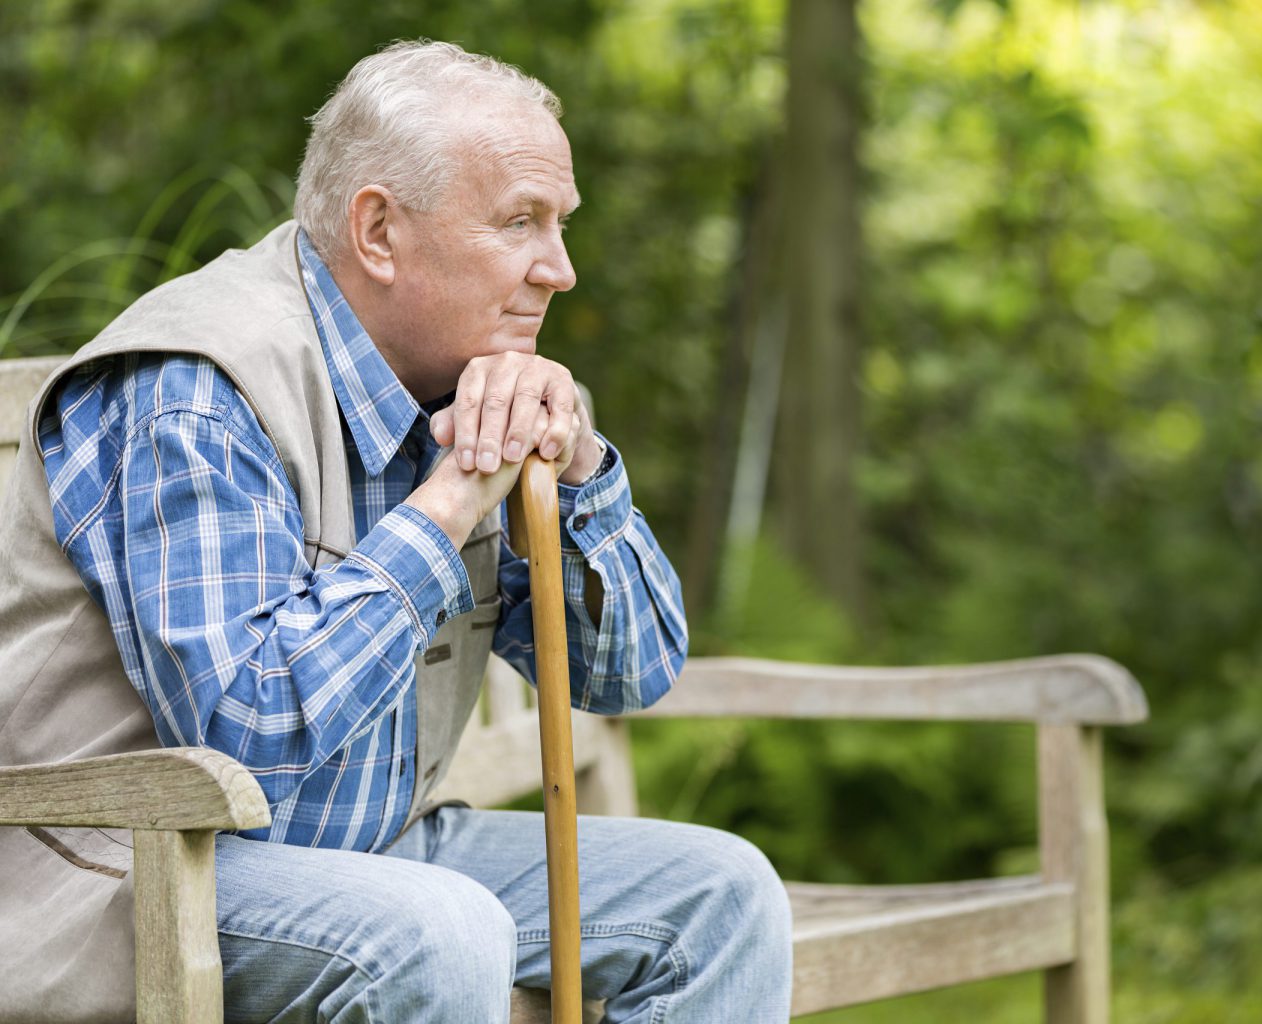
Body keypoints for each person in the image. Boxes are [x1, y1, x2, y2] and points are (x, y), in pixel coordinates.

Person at [0, 40, 792, 1023]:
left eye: (561, 225)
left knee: (721, 897)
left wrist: (578, 462)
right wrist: (456, 495)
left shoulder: (469, 381)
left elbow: (628, 674)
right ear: (379, 231)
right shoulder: (198, 388)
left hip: (375, 853)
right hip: (127, 868)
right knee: (438, 929)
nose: (563, 270)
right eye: (521, 223)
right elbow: (248, 738)